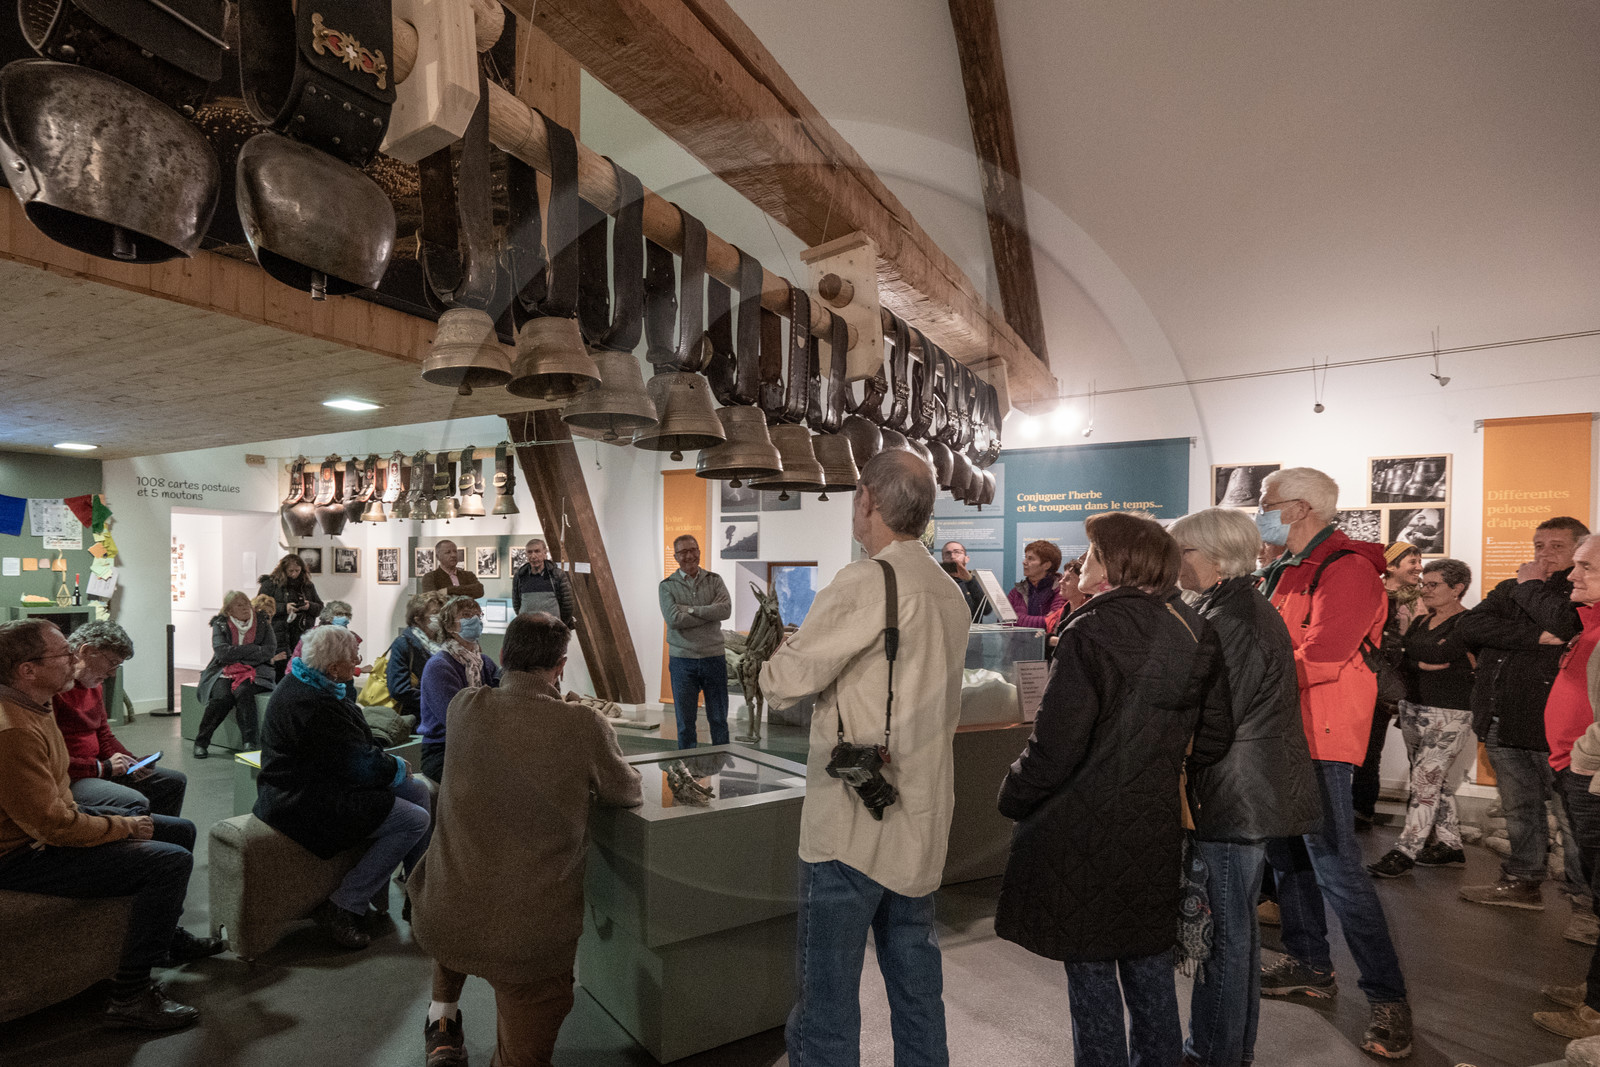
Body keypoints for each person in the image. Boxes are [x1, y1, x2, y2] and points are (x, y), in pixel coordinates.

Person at [996, 512, 1233, 1067]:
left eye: (1093, 553)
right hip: (1151, 822)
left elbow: (1055, 747)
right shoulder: (1195, 628)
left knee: (1091, 969)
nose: (1084, 563)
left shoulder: (1091, 630)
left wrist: (1012, 795)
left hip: (1082, 825)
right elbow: (1216, 735)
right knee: (1148, 964)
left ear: (1114, 567)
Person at [760, 450, 971, 1066]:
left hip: (852, 830)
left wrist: (788, 652)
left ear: (868, 500)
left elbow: (780, 682)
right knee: (917, 996)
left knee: (826, 1006)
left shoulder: (864, 581)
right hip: (921, 820)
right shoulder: (947, 590)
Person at [408, 613, 642, 1067]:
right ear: (561, 664)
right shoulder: (582, 724)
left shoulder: (463, 707)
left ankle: (442, 1021)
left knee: (466, 893)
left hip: (441, 913)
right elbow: (624, 790)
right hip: (528, 938)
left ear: (502, 656)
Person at [1254, 466, 1412, 1059]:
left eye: (1266, 504)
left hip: (1321, 738)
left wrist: (1243, 678)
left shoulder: (1345, 571)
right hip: (1283, 732)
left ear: (1297, 509)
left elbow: (1320, 657)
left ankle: (1388, 998)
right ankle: (1310, 966)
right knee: (1289, 855)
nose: (1260, 513)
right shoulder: (1290, 570)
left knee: (1337, 868)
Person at [0, 619, 222, 1030]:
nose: (73, 659)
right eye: (63, 654)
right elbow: (52, 827)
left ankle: (167, 936)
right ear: (26, 670)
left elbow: (61, 796)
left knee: (179, 830)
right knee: (167, 860)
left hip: (48, 827)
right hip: (18, 855)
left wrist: (113, 815)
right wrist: (121, 827)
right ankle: (130, 996)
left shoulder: (38, 702)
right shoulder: (13, 729)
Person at [1168, 508, 1319, 1067]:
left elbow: (1211, 717)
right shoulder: (1233, 608)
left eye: (1181, 552)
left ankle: (1214, 1053)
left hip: (1234, 793)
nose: (1174, 562)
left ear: (1214, 557)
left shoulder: (1232, 619)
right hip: (1241, 789)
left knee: (1225, 936)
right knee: (1234, 934)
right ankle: (1224, 1049)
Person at [253, 625, 432, 950]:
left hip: (322, 784)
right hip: (302, 801)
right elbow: (356, 765)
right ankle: (343, 904)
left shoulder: (312, 684)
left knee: (419, 791)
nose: (360, 661)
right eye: (353, 657)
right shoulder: (312, 703)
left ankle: (418, 896)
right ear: (333, 667)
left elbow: (348, 751)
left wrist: (385, 763)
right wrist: (393, 766)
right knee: (415, 819)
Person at [1456, 517, 1590, 925]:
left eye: (1555, 546)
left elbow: (1567, 624)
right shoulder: (1512, 587)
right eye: (1538, 545)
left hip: (1554, 727)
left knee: (1572, 818)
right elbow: (1468, 626)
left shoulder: (1581, 591)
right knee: (1519, 808)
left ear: (1578, 551)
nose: (1543, 554)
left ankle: (1586, 906)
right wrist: (1534, 636)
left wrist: (1529, 589)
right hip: (1502, 718)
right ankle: (1522, 882)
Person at [1367, 558, 1477, 878]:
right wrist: (1422, 664)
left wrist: (1425, 661)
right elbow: (1405, 660)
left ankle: (1406, 849)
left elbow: (1451, 661)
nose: (1424, 590)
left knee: (1425, 781)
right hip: (1414, 708)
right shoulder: (1420, 623)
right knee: (1430, 779)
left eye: (1433, 585)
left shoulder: (1468, 624)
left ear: (1457, 589)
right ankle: (1449, 843)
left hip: (1450, 712)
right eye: (1423, 584)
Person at [1536, 533, 1600, 1038]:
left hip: (1590, 776)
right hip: (1578, 772)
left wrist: (1581, 758)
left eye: (1585, 567)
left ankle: (1596, 1014)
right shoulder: (1591, 623)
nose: (1572, 575)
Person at [53, 620, 187, 818]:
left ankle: (156, 840)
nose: (113, 673)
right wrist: (102, 767)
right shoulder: (53, 690)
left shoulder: (94, 686)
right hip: (70, 777)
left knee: (173, 781)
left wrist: (131, 762)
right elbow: (51, 759)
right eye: (112, 663)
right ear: (87, 650)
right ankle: (139, 842)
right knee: (134, 800)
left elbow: (104, 735)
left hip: (98, 768)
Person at [1353, 542, 1426, 831]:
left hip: (1414, 683)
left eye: (1420, 561)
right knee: (1369, 750)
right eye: (1412, 561)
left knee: (1420, 755)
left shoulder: (1427, 599)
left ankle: (1420, 823)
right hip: (1378, 682)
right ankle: (1361, 810)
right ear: (1392, 566)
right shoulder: (1373, 597)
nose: (1419, 567)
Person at [659, 535, 732, 749]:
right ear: (675, 557)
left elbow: (725, 610)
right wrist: (709, 612)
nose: (689, 556)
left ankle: (720, 771)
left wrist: (690, 609)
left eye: (693, 550)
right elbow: (673, 619)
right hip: (683, 662)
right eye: (683, 552)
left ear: (699, 551)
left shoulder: (714, 580)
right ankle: (688, 775)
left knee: (719, 721)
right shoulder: (667, 586)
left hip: (714, 658)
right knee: (685, 724)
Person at [419, 595, 501, 782]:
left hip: (478, 744)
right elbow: (455, 718)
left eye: (478, 615)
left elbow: (500, 701)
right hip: (443, 750)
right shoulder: (439, 666)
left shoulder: (484, 662)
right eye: (466, 615)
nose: (474, 620)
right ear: (449, 627)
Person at [194, 589, 277, 758]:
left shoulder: (262, 621)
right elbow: (222, 653)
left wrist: (240, 656)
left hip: (256, 671)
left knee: (244, 692)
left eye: (247, 603)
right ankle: (201, 742)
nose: (246, 607)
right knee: (221, 698)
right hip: (223, 670)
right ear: (229, 610)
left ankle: (249, 742)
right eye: (239, 605)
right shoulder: (221, 624)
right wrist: (252, 649)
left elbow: (269, 650)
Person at [257, 553, 322, 679]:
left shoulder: (307, 585)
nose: (294, 574)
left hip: (301, 634)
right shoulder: (270, 584)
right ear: (283, 570)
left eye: (297, 571)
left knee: (299, 671)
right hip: (278, 634)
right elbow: (260, 607)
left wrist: (309, 606)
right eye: (290, 571)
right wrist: (283, 608)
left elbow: (319, 608)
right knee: (280, 670)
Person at [387, 592, 447, 722]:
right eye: (435, 612)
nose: (440, 617)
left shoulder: (444, 642)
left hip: (441, 715)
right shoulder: (404, 644)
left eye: (442, 612)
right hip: (417, 717)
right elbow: (399, 690)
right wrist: (436, 699)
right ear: (417, 618)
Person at [511, 538, 576, 629]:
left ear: (545, 553)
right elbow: (517, 603)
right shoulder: (519, 577)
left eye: (537, 551)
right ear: (526, 554)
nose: (533, 556)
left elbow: (567, 605)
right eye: (530, 552)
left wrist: (559, 625)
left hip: (552, 630)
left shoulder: (557, 575)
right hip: (526, 630)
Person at [1008, 539, 1064, 629]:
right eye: (1025, 557)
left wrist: (1017, 618)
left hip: (1046, 643)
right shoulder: (1016, 592)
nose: (1024, 562)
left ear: (1046, 565)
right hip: (1019, 643)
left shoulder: (1061, 590)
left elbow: (1054, 622)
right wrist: (1043, 621)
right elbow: (1003, 621)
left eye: (1030, 558)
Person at [1043, 555, 1090, 661]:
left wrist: (1054, 641)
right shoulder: (1056, 617)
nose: (1061, 581)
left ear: (1082, 583)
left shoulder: (1093, 615)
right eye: (1063, 577)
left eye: (1068, 579)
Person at [941, 540, 991, 622]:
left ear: (966, 558)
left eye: (957, 552)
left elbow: (987, 610)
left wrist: (970, 580)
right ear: (943, 558)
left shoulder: (977, 581)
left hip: (972, 633)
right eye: (947, 553)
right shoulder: (936, 582)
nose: (952, 556)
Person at [420, 540, 486, 600]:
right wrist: (466, 591)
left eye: (455, 551)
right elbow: (433, 600)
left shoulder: (468, 575)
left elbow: (479, 590)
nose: (453, 555)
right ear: (438, 557)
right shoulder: (430, 577)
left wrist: (448, 590)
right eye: (448, 552)